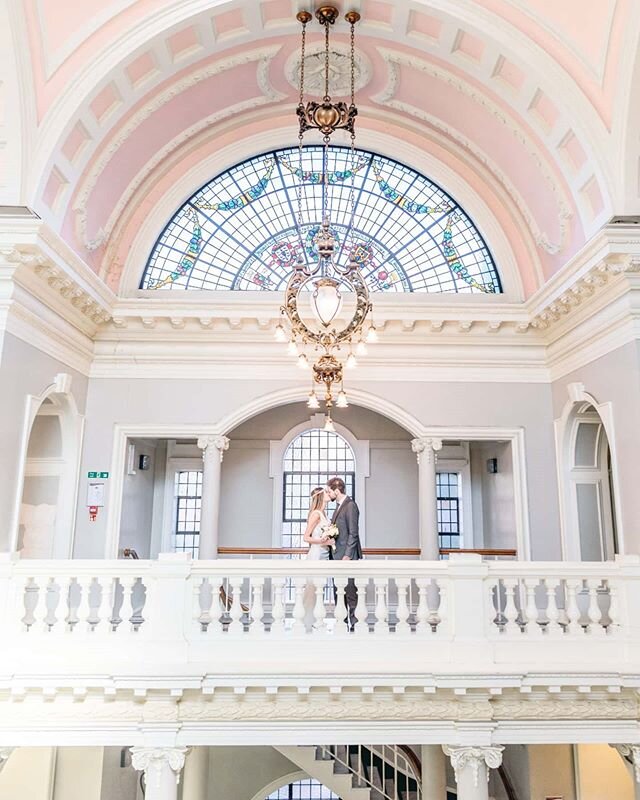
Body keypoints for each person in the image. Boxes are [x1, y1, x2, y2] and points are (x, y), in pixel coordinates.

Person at [326, 476, 362, 631]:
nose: (329, 495)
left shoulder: (350, 505)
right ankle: (343, 621)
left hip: (347, 557)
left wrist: (347, 555)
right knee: (339, 592)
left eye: (329, 492)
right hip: (336, 556)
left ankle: (355, 623)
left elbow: (353, 533)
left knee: (351, 592)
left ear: (336, 490)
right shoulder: (339, 506)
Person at [302, 486, 331, 631]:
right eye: (326, 492)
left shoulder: (323, 513)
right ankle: (312, 620)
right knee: (315, 588)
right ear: (320, 496)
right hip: (317, 554)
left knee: (320, 588)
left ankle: (317, 619)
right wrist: (324, 542)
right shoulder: (316, 514)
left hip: (324, 554)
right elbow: (306, 537)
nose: (329, 493)